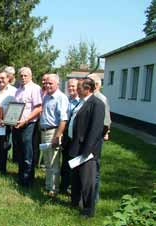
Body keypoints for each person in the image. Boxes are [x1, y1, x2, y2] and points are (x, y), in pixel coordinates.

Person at [63, 78, 105, 217]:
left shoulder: (96, 104)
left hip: (86, 150)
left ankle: (88, 210)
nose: (76, 89)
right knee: (75, 177)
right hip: (75, 146)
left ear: (87, 89)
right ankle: (76, 202)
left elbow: (95, 129)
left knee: (88, 182)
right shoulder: (81, 102)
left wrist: (87, 151)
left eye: (79, 87)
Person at [39, 73, 69, 196]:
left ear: (57, 84)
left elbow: (63, 119)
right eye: (46, 83)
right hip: (44, 131)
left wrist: (57, 136)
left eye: (50, 83)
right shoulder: (46, 97)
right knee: (47, 162)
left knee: (53, 162)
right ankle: (48, 185)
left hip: (53, 132)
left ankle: (54, 189)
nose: (47, 85)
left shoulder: (61, 98)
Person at [13, 67, 42, 186]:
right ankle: (21, 176)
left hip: (29, 123)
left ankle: (28, 179)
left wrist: (25, 120)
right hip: (17, 124)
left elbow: (39, 108)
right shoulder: (18, 90)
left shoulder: (35, 88)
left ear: (31, 76)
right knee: (20, 151)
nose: (23, 78)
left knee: (28, 152)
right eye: (21, 76)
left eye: (25, 76)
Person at [87, 74, 112, 203]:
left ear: (96, 85)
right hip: (88, 138)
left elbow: (106, 123)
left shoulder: (101, 99)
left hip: (96, 139)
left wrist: (100, 136)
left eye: (88, 82)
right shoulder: (90, 97)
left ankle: (94, 197)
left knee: (94, 167)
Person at [60, 78, 80, 193]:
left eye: (73, 86)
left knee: (74, 162)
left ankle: (72, 186)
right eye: (69, 86)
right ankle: (64, 185)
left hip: (75, 137)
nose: (71, 88)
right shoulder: (66, 100)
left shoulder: (80, 102)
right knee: (65, 161)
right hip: (66, 136)